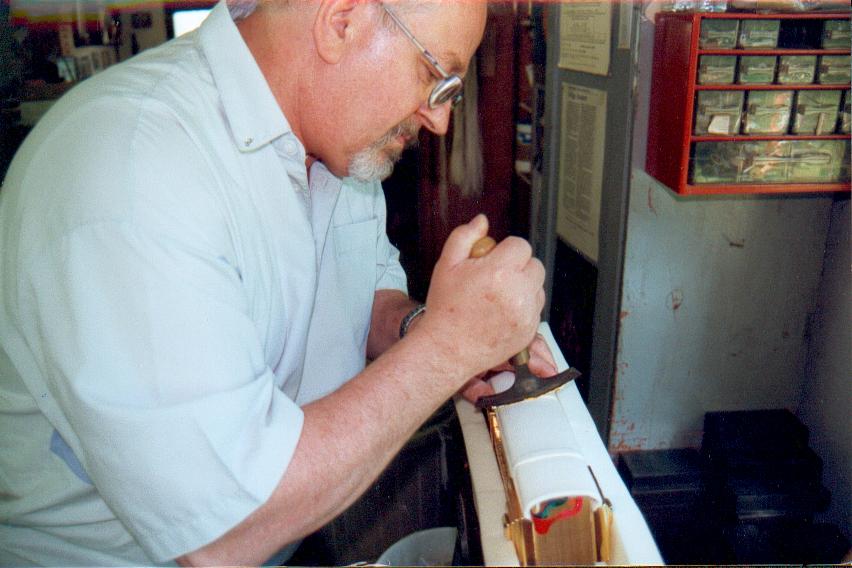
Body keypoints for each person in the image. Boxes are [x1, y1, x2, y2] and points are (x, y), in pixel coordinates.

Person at [0, 0, 556, 565]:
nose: (439, 120)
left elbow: (365, 296)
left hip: (287, 533)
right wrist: (448, 348)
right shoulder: (130, 169)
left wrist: (430, 327)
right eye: (435, 77)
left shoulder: (338, 144)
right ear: (341, 22)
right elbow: (223, 530)